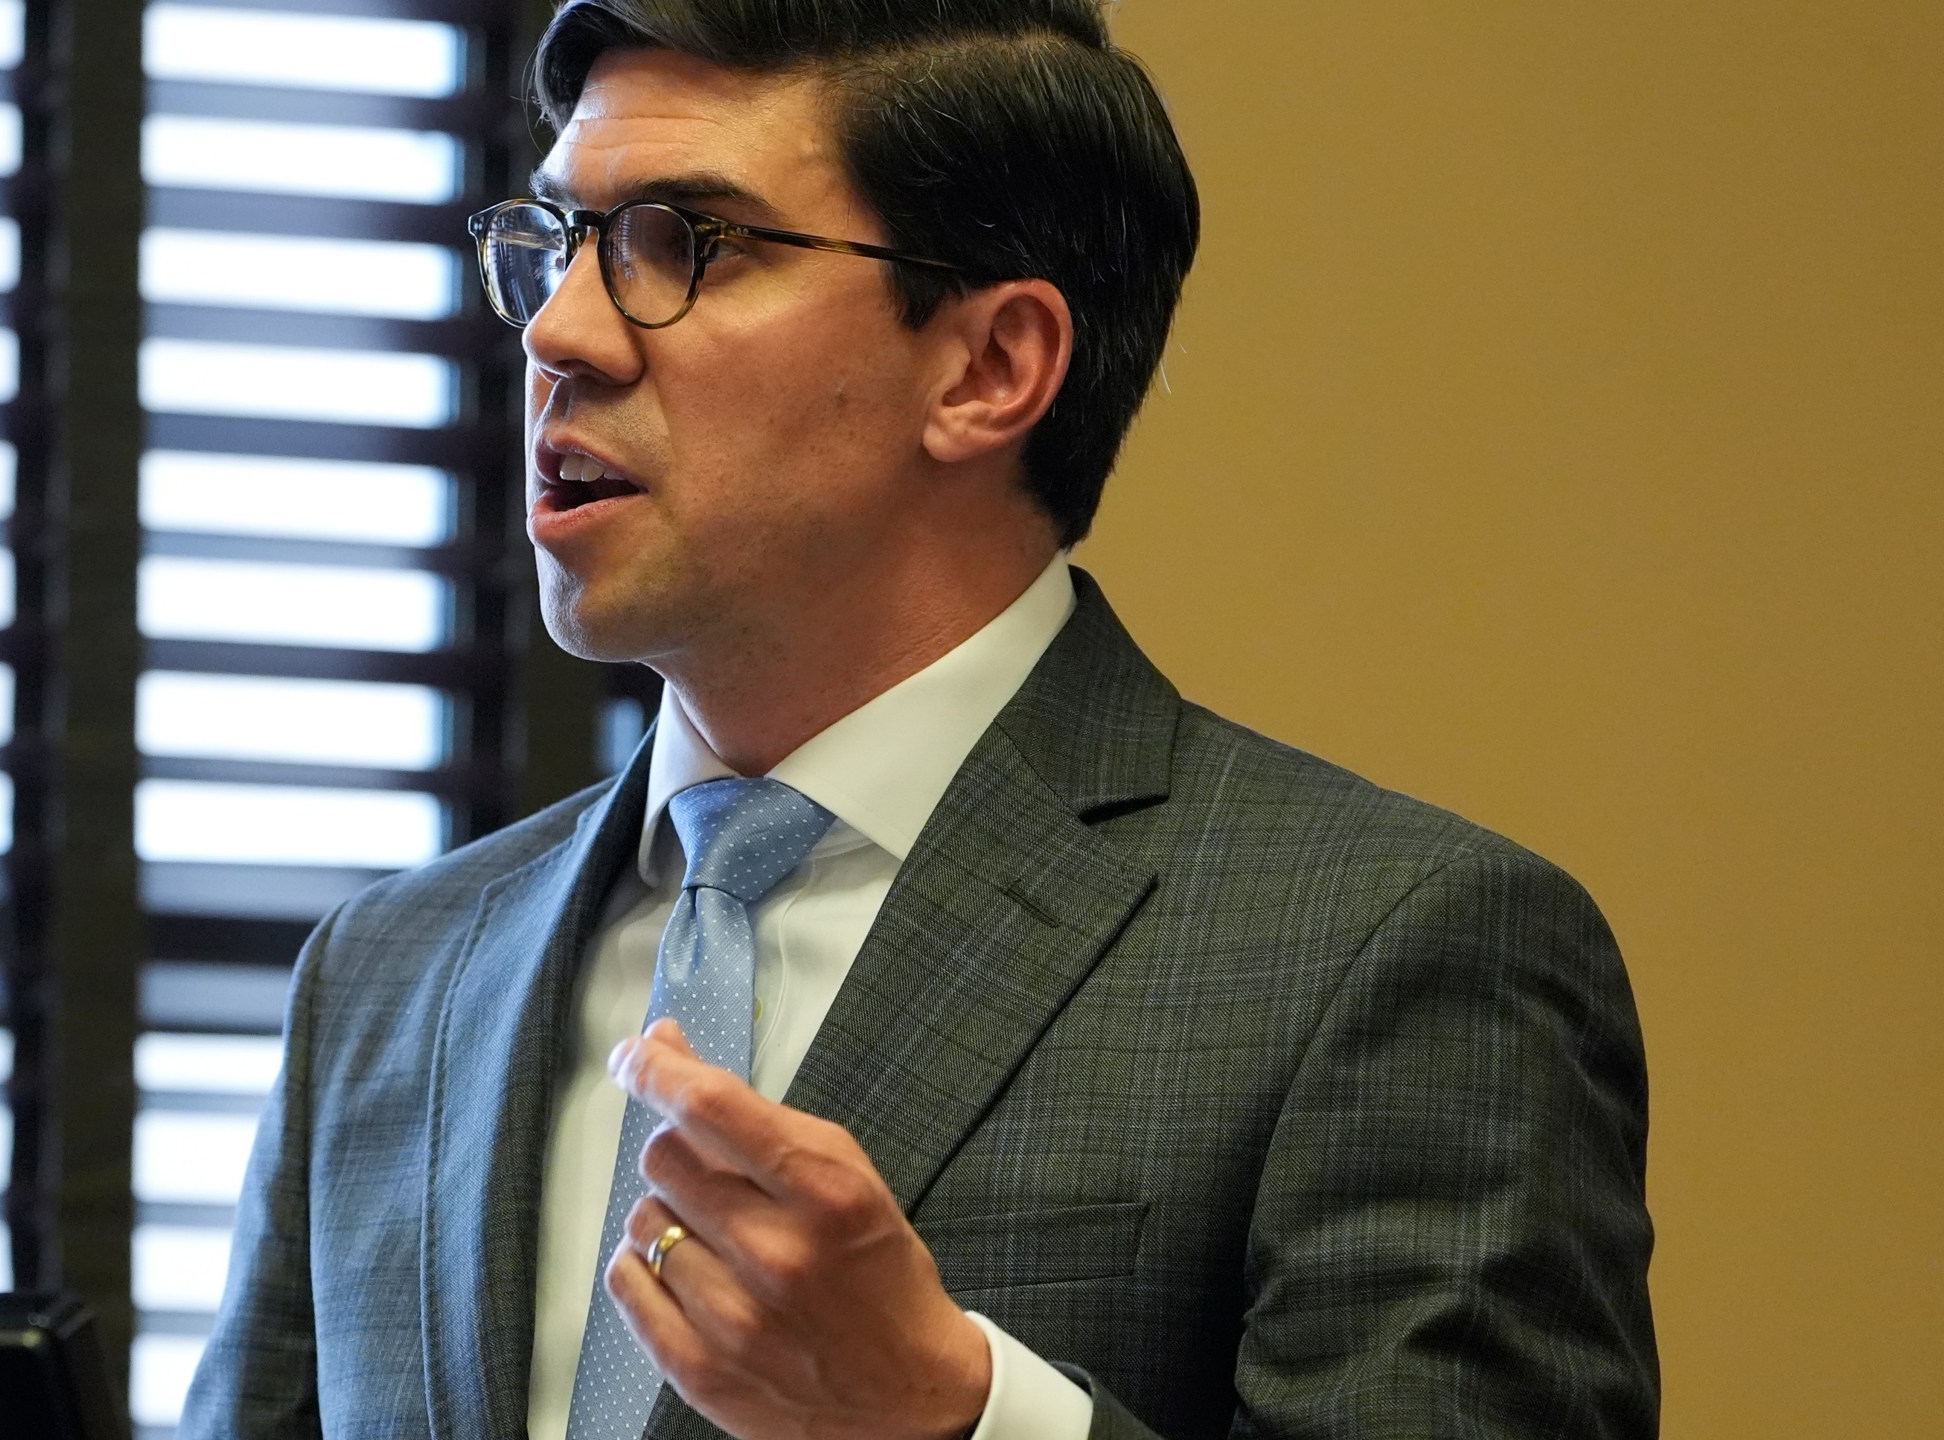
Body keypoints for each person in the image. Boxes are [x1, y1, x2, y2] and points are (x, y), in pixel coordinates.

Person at [179, 2, 1659, 1436]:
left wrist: (955, 1422)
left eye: (681, 245)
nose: (562, 333)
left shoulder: (1397, 952)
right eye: (559, 240)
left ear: (988, 367)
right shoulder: (389, 977)